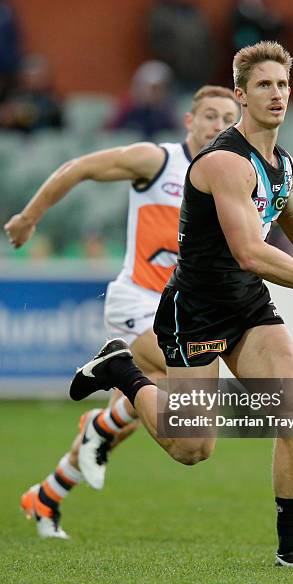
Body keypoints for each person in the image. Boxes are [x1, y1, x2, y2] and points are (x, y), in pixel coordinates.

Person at [66, 41, 293, 568]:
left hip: (248, 308)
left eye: (283, 84)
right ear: (241, 95)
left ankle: (291, 549)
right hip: (193, 310)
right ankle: (120, 366)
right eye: (264, 84)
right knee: (192, 450)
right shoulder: (223, 161)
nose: (277, 93)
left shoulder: (282, 165)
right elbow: (250, 252)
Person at [4, 85, 239, 538]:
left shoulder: (231, 178)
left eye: (228, 118)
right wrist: (30, 216)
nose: (218, 125)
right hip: (139, 302)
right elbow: (82, 167)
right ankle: (111, 390)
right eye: (209, 115)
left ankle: (47, 495)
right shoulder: (158, 162)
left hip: (185, 314)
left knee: (146, 407)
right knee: (175, 386)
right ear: (189, 122)